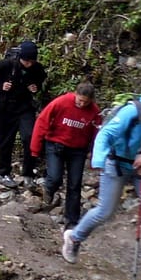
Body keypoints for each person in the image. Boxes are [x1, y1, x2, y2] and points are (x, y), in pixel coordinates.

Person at [60, 91, 141, 267]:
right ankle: (74, 237)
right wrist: (100, 160)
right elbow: (106, 134)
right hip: (117, 163)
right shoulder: (132, 111)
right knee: (105, 211)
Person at [31, 81, 101, 229]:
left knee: (75, 185)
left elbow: (98, 133)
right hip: (56, 144)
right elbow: (42, 121)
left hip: (78, 150)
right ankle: (49, 189)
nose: (82, 104)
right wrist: (35, 149)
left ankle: (71, 220)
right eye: (80, 100)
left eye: (86, 102)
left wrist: (94, 152)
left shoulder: (94, 111)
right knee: (55, 177)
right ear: (75, 94)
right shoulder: (62, 102)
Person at [0, 41, 48, 188]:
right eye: (26, 61)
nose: (28, 64)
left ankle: (28, 173)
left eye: (31, 61)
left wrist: (36, 87)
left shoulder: (36, 68)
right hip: (5, 107)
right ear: (21, 58)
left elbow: (41, 78)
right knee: (5, 141)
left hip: (25, 107)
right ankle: (4, 173)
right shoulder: (8, 64)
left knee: (29, 137)